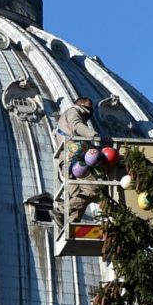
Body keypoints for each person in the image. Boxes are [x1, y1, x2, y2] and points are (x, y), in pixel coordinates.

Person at [53, 96, 98, 225]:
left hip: (66, 162)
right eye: (89, 106)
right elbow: (76, 125)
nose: (90, 111)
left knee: (77, 195)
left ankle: (71, 222)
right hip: (75, 160)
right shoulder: (73, 112)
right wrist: (94, 135)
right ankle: (62, 210)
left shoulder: (64, 120)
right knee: (94, 189)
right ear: (80, 104)